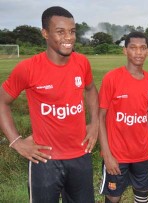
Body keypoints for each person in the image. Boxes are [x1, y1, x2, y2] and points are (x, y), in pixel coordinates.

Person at [0, 6, 99, 203]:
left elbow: (90, 90)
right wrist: (16, 142)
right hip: (45, 160)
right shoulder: (28, 68)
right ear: (45, 33)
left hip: (80, 154)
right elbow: (2, 101)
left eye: (72, 31)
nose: (68, 37)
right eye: (60, 31)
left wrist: (95, 122)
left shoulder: (82, 63)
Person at [98, 31, 148, 203]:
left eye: (142, 48)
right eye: (133, 48)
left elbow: (146, 114)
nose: (138, 52)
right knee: (114, 197)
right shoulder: (112, 78)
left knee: (142, 193)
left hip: (143, 153)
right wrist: (107, 154)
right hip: (117, 154)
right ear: (125, 51)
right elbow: (100, 117)